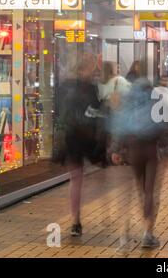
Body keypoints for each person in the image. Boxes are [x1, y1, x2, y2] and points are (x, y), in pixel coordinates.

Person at [109, 77, 167, 251]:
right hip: (151, 149)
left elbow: (120, 126)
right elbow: (164, 125)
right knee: (150, 191)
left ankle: (124, 235)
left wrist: (116, 149)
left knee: (135, 189)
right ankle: (147, 234)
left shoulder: (128, 100)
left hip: (133, 149)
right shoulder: (156, 99)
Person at [58, 57, 102, 237]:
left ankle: (76, 220)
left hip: (76, 137)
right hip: (80, 138)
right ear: (84, 69)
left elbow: (61, 111)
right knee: (77, 178)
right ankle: (75, 220)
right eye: (92, 69)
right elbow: (95, 110)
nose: (94, 72)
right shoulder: (87, 88)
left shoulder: (68, 86)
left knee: (76, 179)